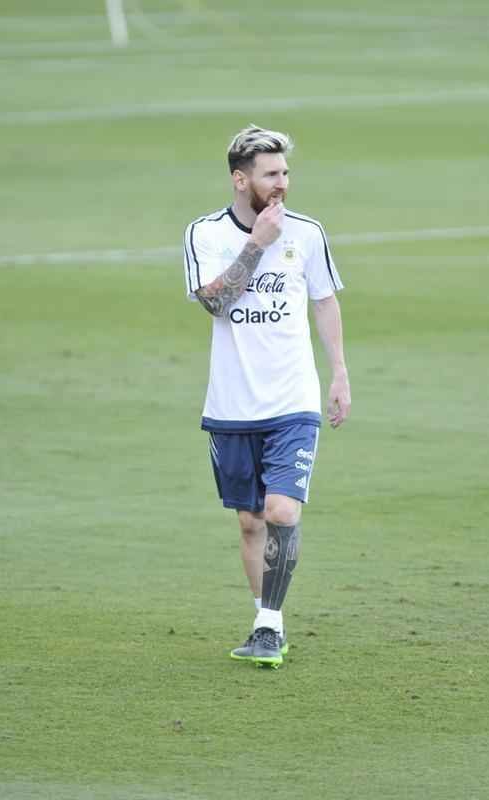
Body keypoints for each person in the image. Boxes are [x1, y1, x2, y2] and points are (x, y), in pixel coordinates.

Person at [183, 124, 350, 668]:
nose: (282, 184)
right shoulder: (205, 234)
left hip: (292, 399)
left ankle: (270, 626)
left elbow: (324, 300)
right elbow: (216, 303)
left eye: (286, 173)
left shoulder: (307, 233)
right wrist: (257, 245)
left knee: (280, 509)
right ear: (240, 179)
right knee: (250, 520)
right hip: (231, 404)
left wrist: (340, 374)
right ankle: (262, 617)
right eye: (270, 175)